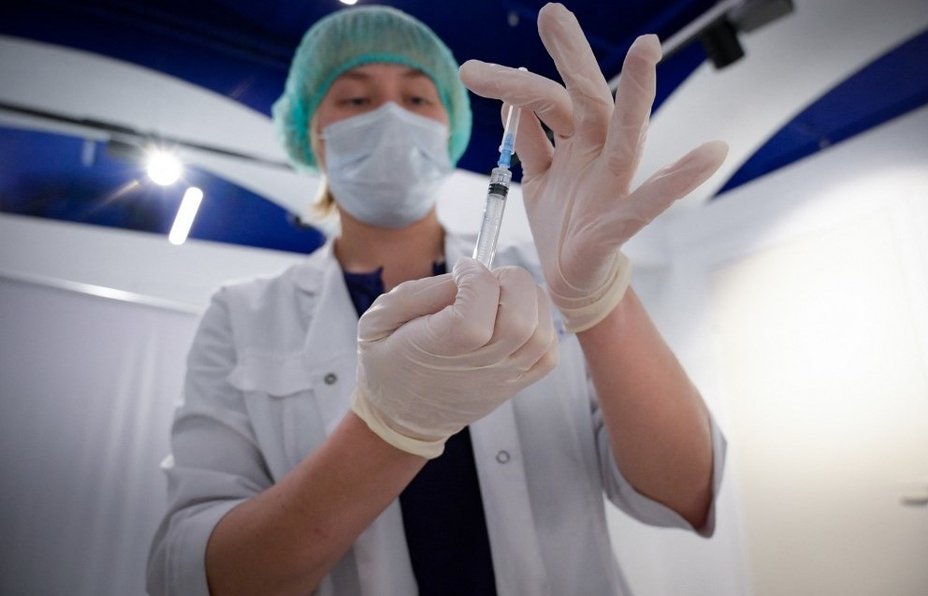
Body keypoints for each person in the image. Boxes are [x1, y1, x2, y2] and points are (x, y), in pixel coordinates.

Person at [147, 3, 729, 595]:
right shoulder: (242, 316)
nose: (391, 115)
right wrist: (389, 428)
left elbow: (685, 494)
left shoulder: (542, 276)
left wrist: (600, 300)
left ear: (449, 128)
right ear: (309, 133)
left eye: (418, 98)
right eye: (356, 98)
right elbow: (196, 577)